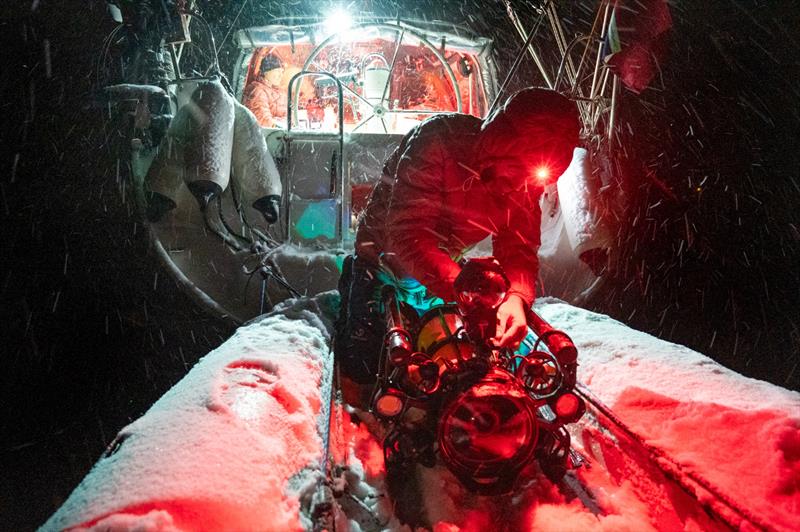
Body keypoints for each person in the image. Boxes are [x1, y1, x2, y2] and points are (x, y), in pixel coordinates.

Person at [335, 87, 580, 395]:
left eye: (530, 180)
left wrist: (516, 297)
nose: (518, 187)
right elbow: (408, 234)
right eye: (515, 171)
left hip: (440, 265)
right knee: (364, 361)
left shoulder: (523, 179)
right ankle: (355, 283)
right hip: (383, 254)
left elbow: (518, 246)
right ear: (499, 143)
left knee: (478, 345)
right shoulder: (437, 142)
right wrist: (462, 287)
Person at [242, 53, 287, 128]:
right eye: (278, 71)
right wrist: (282, 123)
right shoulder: (257, 91)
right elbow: (264, 121)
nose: (280, 75)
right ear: (266, 72)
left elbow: (290, 117)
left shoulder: (279, 91)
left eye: (282, 72)